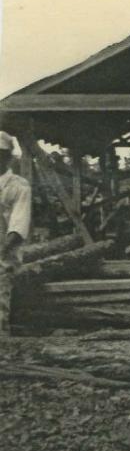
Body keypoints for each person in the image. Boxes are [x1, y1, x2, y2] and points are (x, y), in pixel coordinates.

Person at [0, 131, 32, 335]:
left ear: (8, 156)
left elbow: (17, 228)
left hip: (4, 256)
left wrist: (1, 250)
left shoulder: (19, 186)